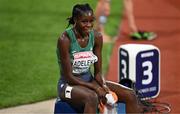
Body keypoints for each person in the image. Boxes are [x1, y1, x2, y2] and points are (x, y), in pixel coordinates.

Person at [56, 3, 143, 113]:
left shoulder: (97, 37)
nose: (89, 25)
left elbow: (97, 72)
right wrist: (96, 88)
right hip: (68, 85)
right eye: (84, 21)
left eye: (91, 21)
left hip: (90, 81)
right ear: (75, 20)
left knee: (130, 94)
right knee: (92, 98)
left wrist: (103, 86)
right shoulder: (65, 40)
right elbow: (69, 77)